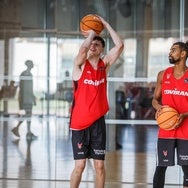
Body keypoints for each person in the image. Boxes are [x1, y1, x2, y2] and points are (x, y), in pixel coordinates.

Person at [69, 15, 124, 188]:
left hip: (97, 123)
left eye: (97, 44)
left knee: (99, 166)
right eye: (91, 43)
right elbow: (82, 51)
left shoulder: (104, 65)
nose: (93, 45)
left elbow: (120, 45)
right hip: (79, 124)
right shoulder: (79, 65)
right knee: (80, 165)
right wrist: (91, 34)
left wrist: (106, 24)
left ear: (101, 50)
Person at [152, 41, 188, 188]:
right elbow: (155, 99)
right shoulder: (162, 75)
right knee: (160, 168)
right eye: (170, 50)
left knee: (187, 170)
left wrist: (185, 115)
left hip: (186, 130)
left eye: (173, 50)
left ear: (183, 54)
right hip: (166, 130)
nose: (170, 53)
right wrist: (159, 108)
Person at [11, 60, 37, 140]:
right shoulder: (25, 74)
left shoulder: (28, 74)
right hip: (26, 98)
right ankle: (21, 130)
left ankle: (26, 131)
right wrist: (32, 98)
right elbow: (26, 88)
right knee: (28, 114)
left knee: (28, 114)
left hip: (27, 97)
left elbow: (29, 88)